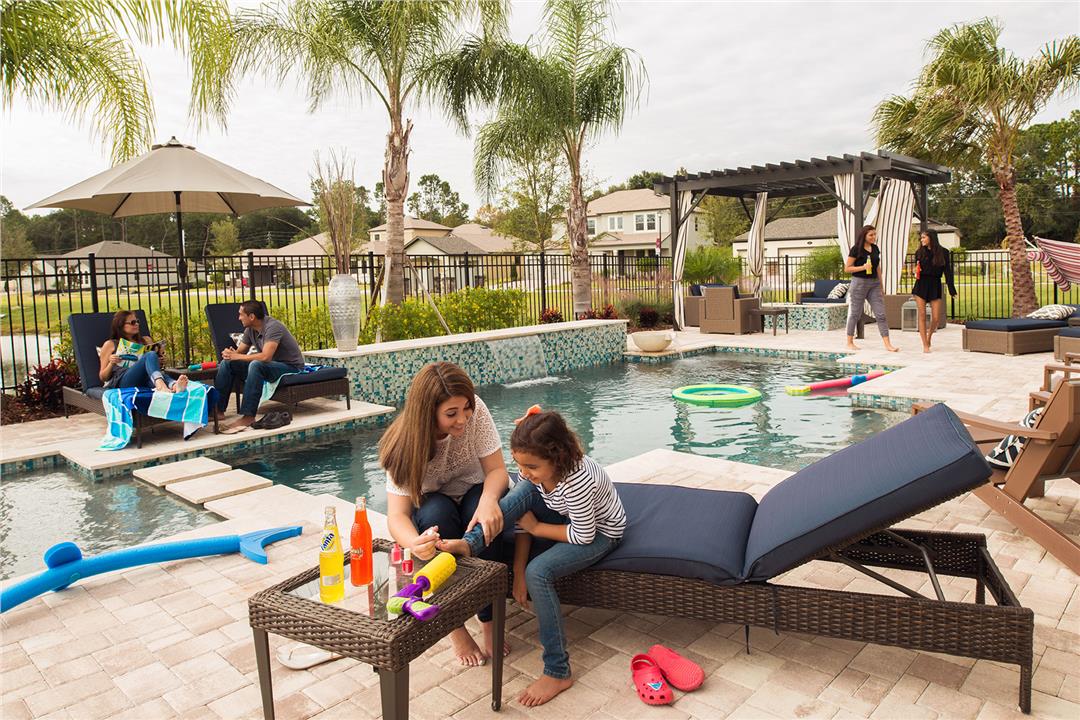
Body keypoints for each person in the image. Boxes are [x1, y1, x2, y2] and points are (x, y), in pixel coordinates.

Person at [438, 408, 626, 707]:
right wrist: (518, 566)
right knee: (519, 493)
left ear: (559, 457)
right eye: (519, 464)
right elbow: (519, 516)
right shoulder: (540, 472)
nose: (523, 471)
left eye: (531, 466)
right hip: (568, 516)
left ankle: (558, 671)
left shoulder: (578, 481)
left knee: (539, 572)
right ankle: (470, 544)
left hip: (602, 532)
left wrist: (537, 529)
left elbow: (583, 536)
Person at [380, 362, 510, 666]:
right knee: (437, 514)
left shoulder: (475, 410)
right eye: (451, 414)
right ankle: (453, 625)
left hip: (475, 489)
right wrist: (413, 543)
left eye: (466, 408)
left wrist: (490, 499)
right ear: (427, 413)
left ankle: (489, 622)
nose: (463, 419)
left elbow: (497, 470)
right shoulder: (402, 445)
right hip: (432, 505)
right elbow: (397, 515)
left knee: (485, 517)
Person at [211, 300, 304, 433]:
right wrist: (230, 354)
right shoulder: (250, 329)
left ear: (252, 317)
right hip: (270, 366)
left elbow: (266, 356)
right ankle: (218, 410)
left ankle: (248, 416)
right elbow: (239, 352)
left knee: (256, 365)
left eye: (241, 314)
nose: (238, 318)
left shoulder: (273, 327)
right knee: (228, 363)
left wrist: (237, 356)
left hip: (290, 367)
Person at [98, 310, 187, 393]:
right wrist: (111, 363)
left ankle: (174, 386)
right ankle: (162, 385)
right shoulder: (110, 344)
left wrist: (159, 361)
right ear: (121, 326)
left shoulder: (146, 340)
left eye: (137, 321)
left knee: (152, 373)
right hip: (124, 380)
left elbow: (154, 369)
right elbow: (103, 377)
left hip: (144, 378)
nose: (136, 324)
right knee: (150, 355)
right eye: (133, 323)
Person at [845, 224, 899, 352]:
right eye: (871, 235)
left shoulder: (875, 248)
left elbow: (877, 267)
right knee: (855, 313)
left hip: (874, 284)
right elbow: (847, 268)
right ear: (864, 235)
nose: (874, 237)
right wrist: (863, 267)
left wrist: (881, 285)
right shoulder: (856, 249)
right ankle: (849, 342)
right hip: (859, 283)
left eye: (875, 234)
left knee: (881, 314)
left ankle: (887, 344)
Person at [912, 229, 957, 353]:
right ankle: (925, 345)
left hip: (935, 284)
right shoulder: (919, 252)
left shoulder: (944, 252)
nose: (922, 240)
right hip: (921, 284)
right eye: (921, 238)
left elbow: (948, 272)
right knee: (921, 315)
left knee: (936, 318)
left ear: (931, 238)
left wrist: (952, 289)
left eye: (924, 238)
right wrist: (914, 272)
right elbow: (916, 271)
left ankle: (929, 336)